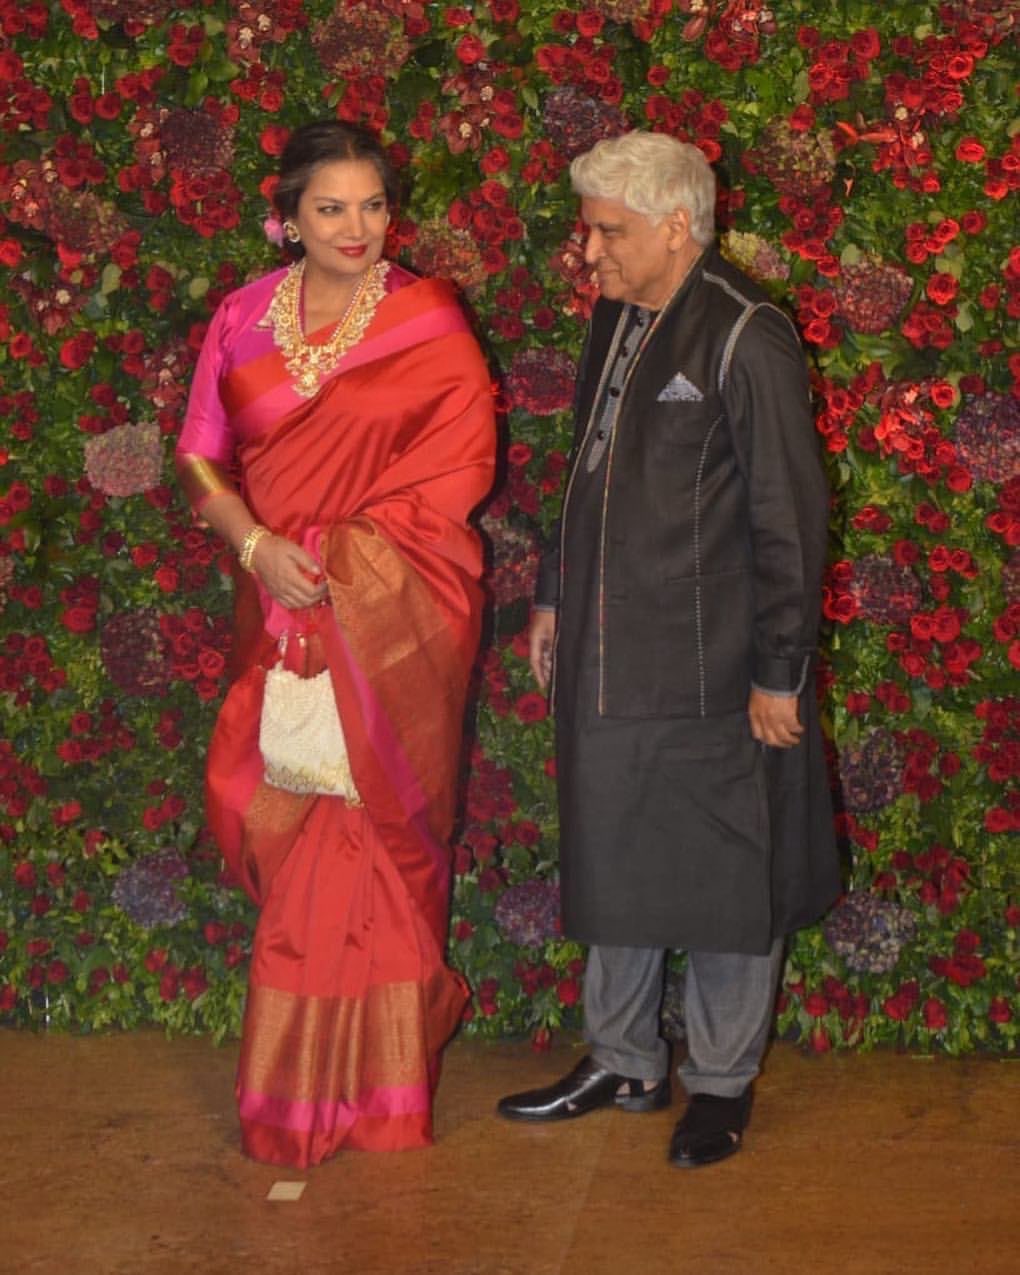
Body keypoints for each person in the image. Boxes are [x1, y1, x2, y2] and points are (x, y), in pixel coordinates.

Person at [496, 132, 839, 1168]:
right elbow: (585, 472)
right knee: (615, 853)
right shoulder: (619, 311)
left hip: (717, 670)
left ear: (677, 228)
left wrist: (781, 671)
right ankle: (625, 1058)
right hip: (609, 653)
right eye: (590, 226)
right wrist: (555, 595)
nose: (587, 249)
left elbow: (791, 517)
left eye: (609, 229)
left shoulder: (749, 335)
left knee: (731, 880)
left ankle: (722, 1086)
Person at [176, 121, 495, 1167]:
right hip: (274, 612)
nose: (356, 228)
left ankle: (387, 1099)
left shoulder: (429, 320)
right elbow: (200, 458)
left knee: (378, 845)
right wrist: (261, 548)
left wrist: (347, 568)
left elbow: (458, 472)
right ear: (287, 216)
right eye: (331, 208)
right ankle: (291, 1103)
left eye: (371, 206)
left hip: (390, 624)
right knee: (296, 837)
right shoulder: (238, 319)